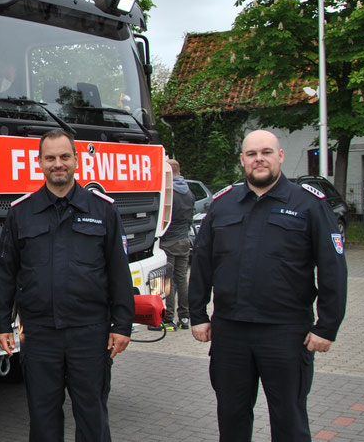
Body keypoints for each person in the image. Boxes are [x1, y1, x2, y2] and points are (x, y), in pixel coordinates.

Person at [189, 129, 348, 441]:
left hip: (286, 333)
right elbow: (203, 263)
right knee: (232, 419)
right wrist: (198, 314)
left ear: (280, 156)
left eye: (266, 152)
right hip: (230, 333)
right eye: (251, 154)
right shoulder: (223, 205)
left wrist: (327, 326)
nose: (258, 159)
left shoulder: (309, 205)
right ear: (242, 160)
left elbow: (333, 270)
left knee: (289, 420)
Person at [0, 129, 135, 442]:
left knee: (92, 417)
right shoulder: (20, 213)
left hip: (90, 334)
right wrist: (2, 322)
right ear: (39, 163)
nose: (59, 163)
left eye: (64, 156)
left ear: (76, 160)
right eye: (51, 158)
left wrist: (122, 325)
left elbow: (118, 273)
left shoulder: (103, 210)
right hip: (40, 335)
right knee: (43, 420)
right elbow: (6, 272)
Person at [149, 158, 195, 331]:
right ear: (180, 173)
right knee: (182, 279)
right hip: (184, 240)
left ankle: (168, 319)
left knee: (166, 281)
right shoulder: (189, 192)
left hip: (168, 241)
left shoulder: (169, 191)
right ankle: (184, 317)